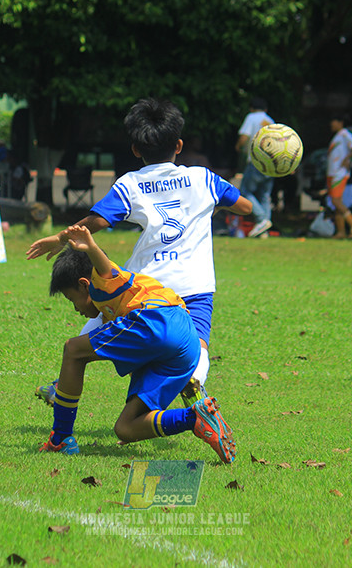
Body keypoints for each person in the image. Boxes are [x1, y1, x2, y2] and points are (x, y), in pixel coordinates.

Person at [26, 98, 252, 406]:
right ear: (179, 145)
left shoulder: (132, 184)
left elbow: (97, 222)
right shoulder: (204, 179)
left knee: (99, 324)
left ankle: (60, 384)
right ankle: (196, 381)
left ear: (135, 149)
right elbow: (245, 207)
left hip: (148, 286)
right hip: (195, 284)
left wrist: (60, 238)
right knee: (198, 343)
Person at [37, 225, 236, 463]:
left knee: (73, 350)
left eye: (72, 299)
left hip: (156, 320)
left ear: (83, 284)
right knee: (126, 428)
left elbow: (105, 269)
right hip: (185, 339)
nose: (76, 308)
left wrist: (91, 247)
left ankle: (60, 439)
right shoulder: (115, 303)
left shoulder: (102, 284)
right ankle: (195, 419)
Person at [234, 96, 275, 237]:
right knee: (264, 195)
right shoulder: (270, 121)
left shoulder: (251, 117)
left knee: (245, 191)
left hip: (257, 161)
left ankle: (261, 219)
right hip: (271, 163)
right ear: (266, 109)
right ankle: (264, 229)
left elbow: (244, 136)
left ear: (251, 108)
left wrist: (239, 147)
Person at [325, 114, 352, 238]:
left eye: (333, 121)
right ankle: (340, 232)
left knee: (336, 201)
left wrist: (347, 158)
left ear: (340, 122)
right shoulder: (338, 136)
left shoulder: (345, 134)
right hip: (332, 173)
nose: (331, 124)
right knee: (336, 202)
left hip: (339, 173)